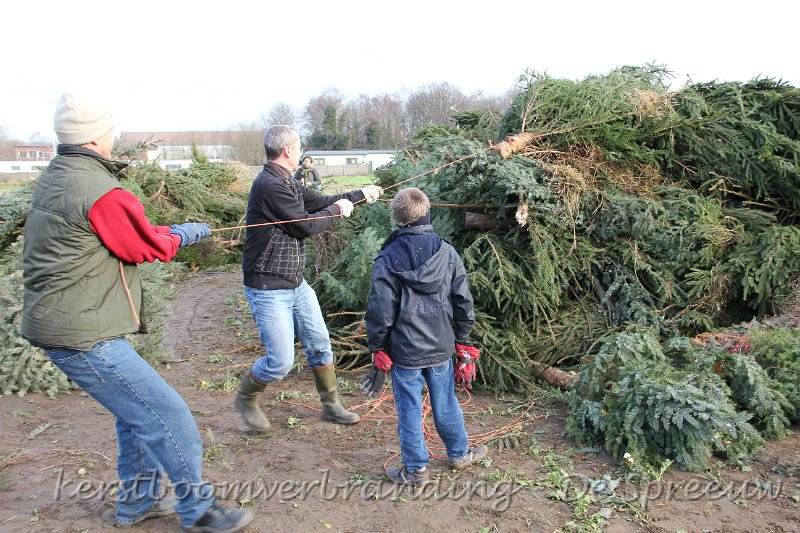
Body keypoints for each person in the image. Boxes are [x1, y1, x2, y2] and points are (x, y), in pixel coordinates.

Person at [21, 92, 254, 532]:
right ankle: (199, 510)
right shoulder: (102, 191)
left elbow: (123, 235)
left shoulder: (60, 176)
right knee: (170, 414)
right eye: (111, 129)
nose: (115, 135)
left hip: (68, 323)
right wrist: (184, 234)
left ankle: (137, 503)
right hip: (83, 333)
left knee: (137, 415)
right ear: (94, 138)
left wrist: (168, 231)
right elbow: (145, 245)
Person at [236, 125, 382, 431]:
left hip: (295, 283)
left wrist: (359, 196)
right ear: (288, 150)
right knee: (280, 362)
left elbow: (318, 202)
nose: (301, 152)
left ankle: (331, 406)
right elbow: (304, 225)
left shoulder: (286, 180)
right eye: (299, 146)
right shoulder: (269, 185)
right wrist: (337, 212)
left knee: (319, 344)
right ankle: (246, 398)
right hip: (268, 285)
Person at [360, 187, 487, 486]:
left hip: (405, 351)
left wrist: (377, 345)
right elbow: (462, 300)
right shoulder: (447, 251)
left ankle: (416, 470)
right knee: (445, 402)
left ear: (397, 218)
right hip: (440, 347)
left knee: (409, 409)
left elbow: (380, 309)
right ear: (426, 212)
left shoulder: (388, 257)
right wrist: (463, 339)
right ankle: (459, 453)